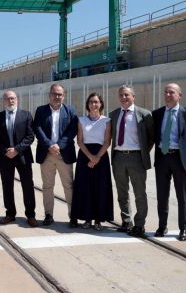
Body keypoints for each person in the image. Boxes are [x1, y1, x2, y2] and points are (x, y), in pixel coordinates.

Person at [153, 83, 186, 241]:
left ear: (180, 95)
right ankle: (162, 226)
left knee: (182, 196)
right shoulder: (158, 114)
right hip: (162, 158)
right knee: (162, 195)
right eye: (165, 92)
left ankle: (184, 229)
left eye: (171, 92)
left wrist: (185, 154)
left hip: (180, 159)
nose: (167, 94)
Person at [109, 85, 154, 238]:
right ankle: (126, 221)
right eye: (121, 95)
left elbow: (151, 137)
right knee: (122, 192)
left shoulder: (144, 114)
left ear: (133, 96)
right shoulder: (114, 114)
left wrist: (142, 152)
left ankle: (139, 224)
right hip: (118, 157)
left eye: (127, 95)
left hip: (136, 158)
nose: (123, 98)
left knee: (139, 193)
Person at [0, 90, 38, 227]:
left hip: (22, 156)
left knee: (28, 186)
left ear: (17, 100)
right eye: (8, 99)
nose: (11, 101)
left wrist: (17, 149)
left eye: (13, 98)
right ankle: (10, 213)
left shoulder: (26, 115)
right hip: (5, 157)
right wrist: (5, 150)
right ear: (3, 101)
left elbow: (30, 136)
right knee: (7, 186)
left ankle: (30, 215)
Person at [33, 83, 78, 227]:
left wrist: (59, 145)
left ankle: (73, 216)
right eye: (54, 94)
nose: (57, 97)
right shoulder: (41, 111)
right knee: (47, 186)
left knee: (69, 186)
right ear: (49, 95)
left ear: (63, 96)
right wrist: (49, 145)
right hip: (46, 154)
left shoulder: (70, 110)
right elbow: (37, 128)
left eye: (60, 94)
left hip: (64, 153)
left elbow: (72, 130)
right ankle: (48, 215)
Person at [71, 93, 113, 231]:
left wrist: (97, 158)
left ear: (101, 104)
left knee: (100, 189)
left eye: (96, 102)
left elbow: (107, 142)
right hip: (85, 155)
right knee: (85, 188)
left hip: (101, 156)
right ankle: (87, 218)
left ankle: (98, 220)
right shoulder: (81, 120)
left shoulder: (107, 120)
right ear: (87, 105)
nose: (93, 104)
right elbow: (80, 141)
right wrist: (90, 157)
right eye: (90, 102)